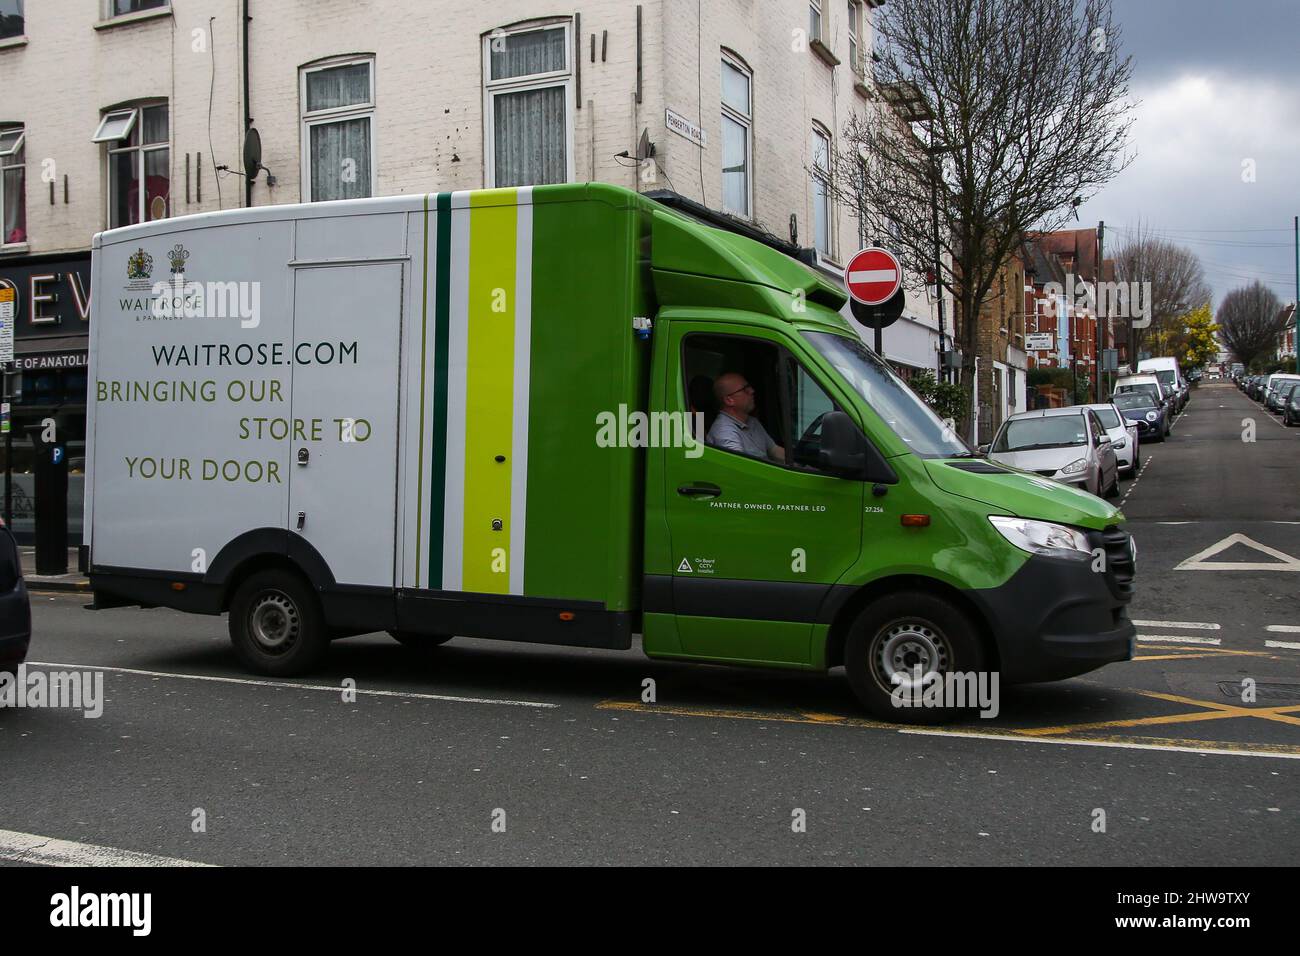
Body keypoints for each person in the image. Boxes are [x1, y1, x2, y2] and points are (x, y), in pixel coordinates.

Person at [705, 372, 784, 462]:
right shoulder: (725, 432)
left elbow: (774, 450)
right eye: (745, 389)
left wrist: (798, 466)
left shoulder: (752, 421)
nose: (752, 391)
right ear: (729, 400)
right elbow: (741, 468)